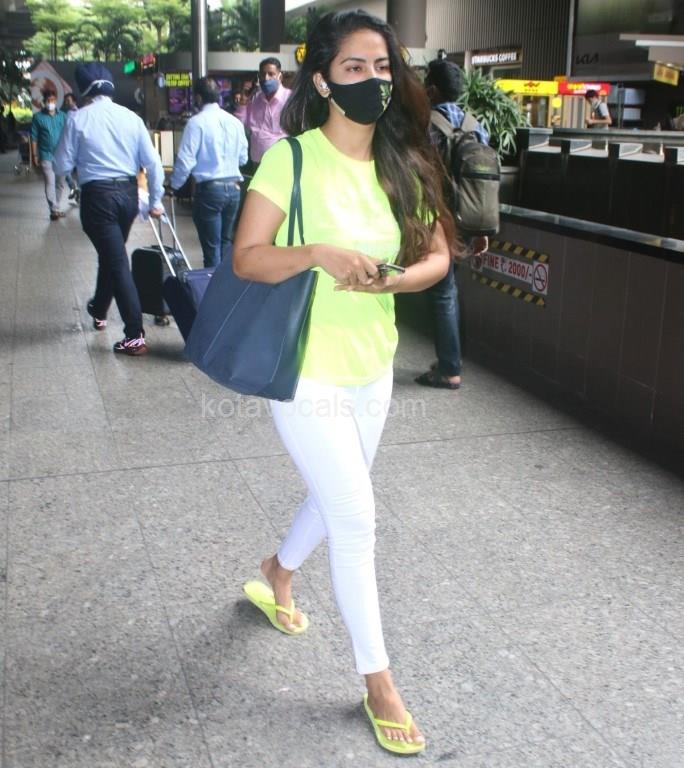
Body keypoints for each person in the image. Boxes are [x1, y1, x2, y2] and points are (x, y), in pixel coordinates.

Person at [233, 10, 454, 755]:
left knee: (335, 498)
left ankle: (277, 570)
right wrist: (317, 252)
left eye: (383, 67)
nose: (373, 80)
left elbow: (437, 257)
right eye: (355, 68)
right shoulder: (290, 160)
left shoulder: (402, 161)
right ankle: (378, 683)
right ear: (323, 81)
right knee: (356, 516)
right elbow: (247, 258)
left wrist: (394, 280)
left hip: (372, 366)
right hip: (305, 370)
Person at [54, 62, 165, 356]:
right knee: (112, 254)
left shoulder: (77, 119)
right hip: (128, 196)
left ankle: (135, 336)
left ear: (84, 90)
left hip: (98, 197)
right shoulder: (131, 118)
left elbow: (61, 165)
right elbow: (153, 164)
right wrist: (155, 200)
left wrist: (77, 167)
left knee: (116, 261)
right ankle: (99, 308)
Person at [415, 58, 489, 390]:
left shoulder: (425, 125)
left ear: (432, 89)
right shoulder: (477, 126)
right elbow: (484, 182)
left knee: (443, 293)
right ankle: (449, 359)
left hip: (438, 217)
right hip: (469, 219)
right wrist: (482, 229)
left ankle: (449, 367)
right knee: (449, 288)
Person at [169, 77, 248, 268]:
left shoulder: (196, 123)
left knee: (211, 249)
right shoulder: (234, 122)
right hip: (234, 190)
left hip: (210, 191)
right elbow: (243, 159)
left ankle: (212, 286)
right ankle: (227, 284)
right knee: (226, 244)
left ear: (198, 98)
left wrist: (173, 186)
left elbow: (186, 160)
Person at [240, 57, 291, 168]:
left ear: (280, 76)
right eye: (263, 75)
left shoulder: (290, 99)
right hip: (258, 162)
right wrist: (243, 102)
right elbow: (241, 124)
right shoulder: (255, 99)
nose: (266, 78)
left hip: (281, 162)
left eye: (271, 74)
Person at [31, 89, 68, 220]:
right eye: (48, 101)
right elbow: (34, 137)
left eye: (52, 100)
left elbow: (68, 134)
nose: (50, 103)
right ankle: (53, 209)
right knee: (50, 181)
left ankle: (56, 207)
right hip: (45, 154)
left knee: (60, 183)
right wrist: (34, 155)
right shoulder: (38, 117)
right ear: (44, 102)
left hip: (61, 155)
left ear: (56, 101)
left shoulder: (63, 116)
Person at [61, 92, 80, 203]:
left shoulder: (80, 114)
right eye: (66, 101)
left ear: (74, 101)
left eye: (68, 101)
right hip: (68, 147)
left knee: (78, 171)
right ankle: (73, 187)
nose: (67, 103)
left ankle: (78, 191)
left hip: (77, 147)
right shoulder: (66, 114)